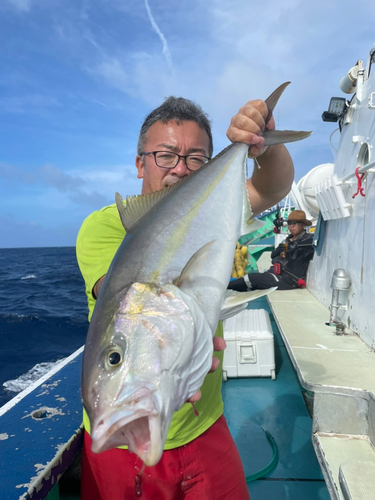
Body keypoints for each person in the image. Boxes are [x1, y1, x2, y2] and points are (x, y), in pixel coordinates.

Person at [76, 94, 294, 500]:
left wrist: (264, 143)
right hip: (120, 440)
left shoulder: (219, 206)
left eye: (196, 159)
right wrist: (180, 336)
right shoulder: (103, 227)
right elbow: (123, 296)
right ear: (140, 162)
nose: (180, 168)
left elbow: (274, 186)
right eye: (165, 155)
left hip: (204, 424)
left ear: (210, 167)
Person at [228, 210, 314, 292]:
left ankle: (226, 288)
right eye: (289, 223)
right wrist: (277, 251)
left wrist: (294, 246)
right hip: (277, 274)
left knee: (253, 278)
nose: (291, 226)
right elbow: (275, 257)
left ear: (302, 225)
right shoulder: (287, 240)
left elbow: (310, 244)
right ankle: (228, 289)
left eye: (295, 223)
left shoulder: (307, 239)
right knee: (252, 283)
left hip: (289, 280)